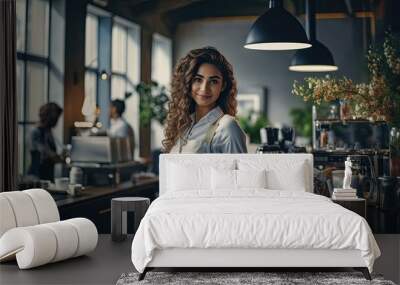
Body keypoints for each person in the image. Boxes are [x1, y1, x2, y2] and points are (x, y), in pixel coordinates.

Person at [163, 47, 247, 153]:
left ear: (223, 86)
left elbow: (239, 169)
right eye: (198, 79)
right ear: (188, 82)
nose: (204, 88)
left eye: (213, 81)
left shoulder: (228, 127)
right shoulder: (183, 124)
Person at [29, 102, 64, 181]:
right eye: (56, 118)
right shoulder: (36, 131)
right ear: (49, 117)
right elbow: (47, 153)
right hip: (37, 176)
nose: (57, 121)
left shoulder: (48, 131)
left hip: (48, 175)